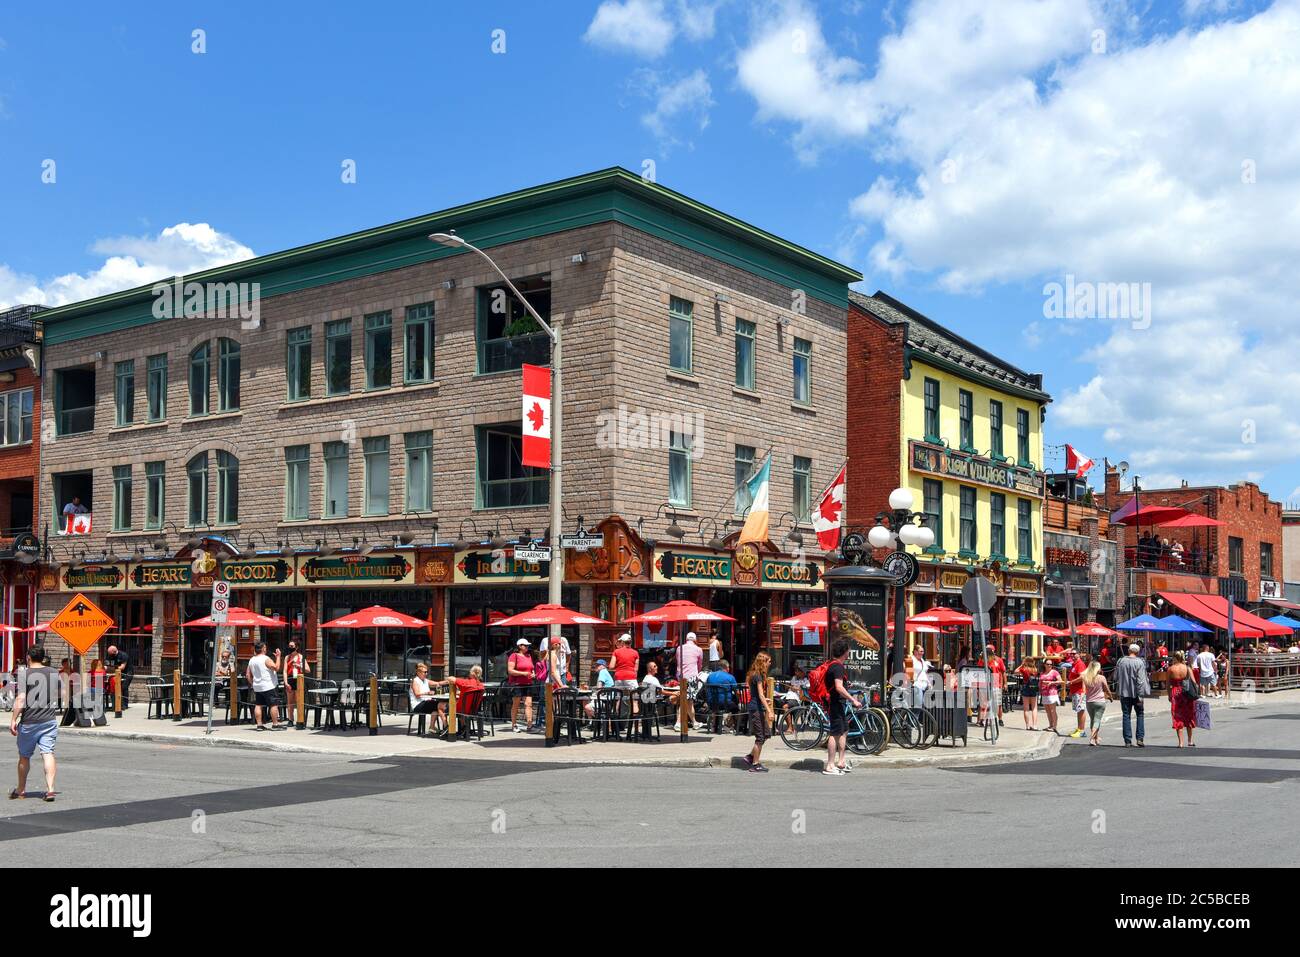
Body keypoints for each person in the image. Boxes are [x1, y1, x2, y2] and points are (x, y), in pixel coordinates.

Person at [9, 646, 59, 801]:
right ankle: (50, 789)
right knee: (48, 753)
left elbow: (21, 698)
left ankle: (21, 789)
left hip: (30, 721)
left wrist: (13, 719)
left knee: (24, 756)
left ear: (28, 657)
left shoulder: (25, 674)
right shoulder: (53, 672)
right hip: (49, 720)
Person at [823, 638, 860, 776]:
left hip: (838, 703)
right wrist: (853, 700)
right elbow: (838, 688)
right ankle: (830, 765)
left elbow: (838, 685)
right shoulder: (837, 667)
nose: (849, 653)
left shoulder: (834, 665)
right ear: (844, 652)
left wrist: (846, 686)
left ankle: (841, 762)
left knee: (844, 730)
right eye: (848, 651)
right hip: (835, 703)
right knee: (835, 733)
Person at [1113, 643, 1150, 747]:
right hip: (1136, 693)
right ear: (1137, 652)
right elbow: (1141, 681)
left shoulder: (1121, 661)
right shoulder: (1140, 662)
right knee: (1140, 714)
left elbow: (1115, 677)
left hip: (1124, 692)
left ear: (1129, 651)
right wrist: (1140, 695)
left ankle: (1128, 740)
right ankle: (1140, 738)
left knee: (1126, 715)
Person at [743, 652, 775, 772]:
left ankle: (750, 756)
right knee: (760, 737)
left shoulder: (754, 674)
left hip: (756, 706)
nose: (770, 664)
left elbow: (757, 694)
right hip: (756, 708)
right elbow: (761, 695)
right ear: (763, 662)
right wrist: (769, 711)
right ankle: (755, 764)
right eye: (769, 661)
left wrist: (764, 701)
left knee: (766, 734)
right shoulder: (758, 676)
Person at [245, 642, 283, 730]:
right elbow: (276, 667)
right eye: (265, 647)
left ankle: (259, 725)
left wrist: (253, 683)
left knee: (258, 704)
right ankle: (275, 724)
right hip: (268, 685)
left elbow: (247, 675)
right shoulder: (266, 659)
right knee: (273, 704)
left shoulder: (252, 660)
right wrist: (278, 657)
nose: (266, 649)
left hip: (257, 686)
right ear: (262, 649)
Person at [674, 631, 704, 731]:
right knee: (686, 700)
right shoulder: (699, 649)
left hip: (681, 676)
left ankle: (693, 722)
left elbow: (678, 663)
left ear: (686, 639)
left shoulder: (679, 648)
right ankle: (679, 723)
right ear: (695, 640)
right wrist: (696, 673)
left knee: (687, 701)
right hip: (692, 677)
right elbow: (700, 665)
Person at [1167, 650, 1197, 747]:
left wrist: (1169, 695)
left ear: (1175, 658)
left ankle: (1181, 742)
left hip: (1176, 693)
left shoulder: (1171, 669)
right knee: (1189, 715)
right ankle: (1190, 741)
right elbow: (1194, 682)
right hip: (1186, 693)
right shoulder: (1187, 668)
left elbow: (1168, 684)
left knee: (1177, 716)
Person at [506, 638, 534, 733]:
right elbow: (510, 670)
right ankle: (514, 725)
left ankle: (529, 726)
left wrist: (533, 673)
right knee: (516, 704)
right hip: (517, 684)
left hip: (528, 683)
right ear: (519, 646)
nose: (527, 647)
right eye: (525, 645)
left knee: (528, 704)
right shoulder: (514, 656)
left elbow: (531, 668)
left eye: (527, 645)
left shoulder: (529, 656)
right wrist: (523, 674)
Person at [611, 632, 641, 720]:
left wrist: (620, 666)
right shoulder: (635, 653)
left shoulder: (616, 652)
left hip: (619, 677)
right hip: (631, 677)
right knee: (634, 701)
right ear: (630, 642)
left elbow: (611, 666)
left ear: (622, 642)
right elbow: (636, 669)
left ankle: (614, 723)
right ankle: (635, 725)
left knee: (618, 700)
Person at [1081, 661, 1112, 746]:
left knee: (1093, 720)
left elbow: (1084, 690)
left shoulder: (1085, 677)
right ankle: (1092, 738)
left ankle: (1096, 738)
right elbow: (1106, 689)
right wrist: (1110, 696)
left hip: (1089, 702)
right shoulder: (1101, 678)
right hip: (1100, 701)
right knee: (1097, 720)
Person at [703, 661, 739, 733]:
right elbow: (737, 691)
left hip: (711, 703)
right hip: (725, 704)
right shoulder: (730, 677)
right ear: (726, 668)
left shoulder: (710, 676)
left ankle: (715, 727)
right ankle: (736, 727)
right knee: (736, 708)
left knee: (719, 702)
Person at [281, 640, 310, 726]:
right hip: (290, 679)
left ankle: (300, 719)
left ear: (296, 647)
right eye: (289, 646)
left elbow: (308, 670)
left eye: (292, 646)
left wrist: (299, 666)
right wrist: (285, 682)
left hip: (298, 679)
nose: (290, 647)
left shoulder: (301, 657)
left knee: (299, 700)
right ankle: (290, 719)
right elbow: (285, 671)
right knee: (290, 702)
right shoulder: (287, 657)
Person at [408, 662, 440, 735]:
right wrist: (427, 693)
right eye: (425, 672)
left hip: (425, 703)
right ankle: (443, 727)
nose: (426, 674)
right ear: (419, 672)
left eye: (427, 672)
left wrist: (448, 681)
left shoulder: (425, 680)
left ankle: (432, 727)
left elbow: (438, 683)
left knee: (438, 707)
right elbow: (417, 694)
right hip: (417, 705)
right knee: (438, 704)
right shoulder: (415, 681)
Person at [1066, 651, 1090, 739]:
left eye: (1074, 653)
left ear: (1079, 654)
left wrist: (1071, 682)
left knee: (1081, 710)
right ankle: (1079, 728)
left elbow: (1082, 677)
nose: (1072, 655)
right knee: (1078, 710)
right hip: (1075, 690)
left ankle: (1082, 731)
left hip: (1080, 691)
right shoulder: (1074, 664)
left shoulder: (1080, 664)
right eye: (1071, 654)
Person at [981, 643, 1006, 726]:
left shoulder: (998, 660)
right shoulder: (983, 659)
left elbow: (1003, 672)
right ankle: (984, 719)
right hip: (985, 684)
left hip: (996, 684)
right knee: (985, 703)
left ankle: (1000, 719)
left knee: (997, 703)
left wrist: (1004, 683)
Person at [104, 644, 133, 708]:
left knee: (124, 688)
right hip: (116, 674)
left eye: (110, 654)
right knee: (114, 687)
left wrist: (111, 669)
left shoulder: (123, 655)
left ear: (114, 651)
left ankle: (124, 705)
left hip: (127, 673)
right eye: (108, 654)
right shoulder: (109, 655)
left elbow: (122, 667)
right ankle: (116, 704)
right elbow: (107, 665)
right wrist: (104, 668)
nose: (109, 655)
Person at [1038, 658, 1062, 734]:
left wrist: (1051, 683)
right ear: (1044, 665)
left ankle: (1054, 726)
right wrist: (1040, 689)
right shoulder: (1042, 673)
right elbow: (1040, 682)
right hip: (1044, 693)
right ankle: (1050, 725)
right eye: (1047, 664)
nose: (1049, 665)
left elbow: (1060, 681)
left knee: (1052, 710)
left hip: (1052, 693)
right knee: (1048, 711)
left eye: (1050, 664)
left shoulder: (1054, 672)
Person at [1015, 656, 1040, 730]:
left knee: (1026, 709)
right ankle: (1035, 725)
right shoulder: (1034, 669)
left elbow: (1016, 671)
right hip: (1033, 688)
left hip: (1026, 687)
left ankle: (1027, 725)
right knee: (1034, 708)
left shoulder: (1024, 669)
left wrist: (1022, 664)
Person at [910, 644, 930, 709]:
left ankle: (913, 719)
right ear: (915, 652)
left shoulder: (922, 660)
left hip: (924, 686)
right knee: (918, 706)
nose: (922, 653)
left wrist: (929, 683)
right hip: (916, 685)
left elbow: (925, 673)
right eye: (920, 651)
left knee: (921, 706)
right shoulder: (911, 660)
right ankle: (913, 719)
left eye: (923, 651)